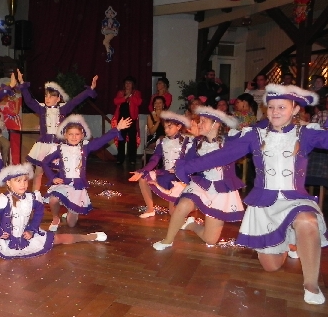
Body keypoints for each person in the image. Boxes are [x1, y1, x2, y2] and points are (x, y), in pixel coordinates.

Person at [174, 85, 328, 304]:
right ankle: (290, 240)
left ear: (294, 109)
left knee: (307, 221)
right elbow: (222, 155)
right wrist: (187, 168)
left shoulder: (306, 133)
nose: (275, 112)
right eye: (271, 107)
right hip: (265, 204)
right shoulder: (255, 136)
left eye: (282, 107)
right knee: (271, 266)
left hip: (295, 200)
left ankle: (311, 284)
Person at [0, 163, 108, 275]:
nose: (23, 184)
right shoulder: (3, 199)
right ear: (8, 183)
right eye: (18, 181)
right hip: (5, 238)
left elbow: (39, 211)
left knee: (58, 238)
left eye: (25, 180)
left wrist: (32, 229)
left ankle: (90, 236)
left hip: (26, 236)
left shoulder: (32, 197)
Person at [153, 106, 244, 250]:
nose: (199, 124)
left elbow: (247, 141)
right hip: (202, 184)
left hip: (221, 189)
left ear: (216, 124)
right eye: (199, 121)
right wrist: (176, 172)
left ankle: (191, 225)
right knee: (183, 205)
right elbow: (185, 163)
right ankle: (168, 240)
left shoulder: (229, 141)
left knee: (211, 240)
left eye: (203, 121)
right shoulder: (197, 143)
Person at [42, 114, 133, 231]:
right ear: (65, 135)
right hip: (63, 183)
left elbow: (101, 140)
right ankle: (56, 218)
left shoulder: (85, 147)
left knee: (71, 224)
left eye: (77, 134)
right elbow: (45, 162)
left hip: (78, 186)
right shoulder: (60, 148)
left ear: (82, 135)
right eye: (71, 134)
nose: (74, 137)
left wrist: (117, 128)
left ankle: (71, 210)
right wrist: (53, 177)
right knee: (53, 199)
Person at [129, 111, 190, 218]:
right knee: (143, 178)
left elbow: (191, 161)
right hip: (166, 173)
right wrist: (143, 170)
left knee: (173, 212)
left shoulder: (187, 141)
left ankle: (189, 212)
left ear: (179, 126)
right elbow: (155, 159)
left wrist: (180, 169)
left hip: (180, 177)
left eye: (169, 127)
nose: (166, 130)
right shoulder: (162, 142)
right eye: (165, 127)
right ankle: (150, 209)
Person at [113, 76, 142, 165]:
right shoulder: (121, 93)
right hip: (122, 120)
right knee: (121, 139)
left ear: (132, 85)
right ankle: (120, 159)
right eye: (126, 83)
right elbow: (116, 101)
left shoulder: (136, 93)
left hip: (132, 119)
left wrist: (131, 95)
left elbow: (139, 102)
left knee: (132, 140)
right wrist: (126, 96)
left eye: (129, 83)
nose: (127, 85)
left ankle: (132, 159)